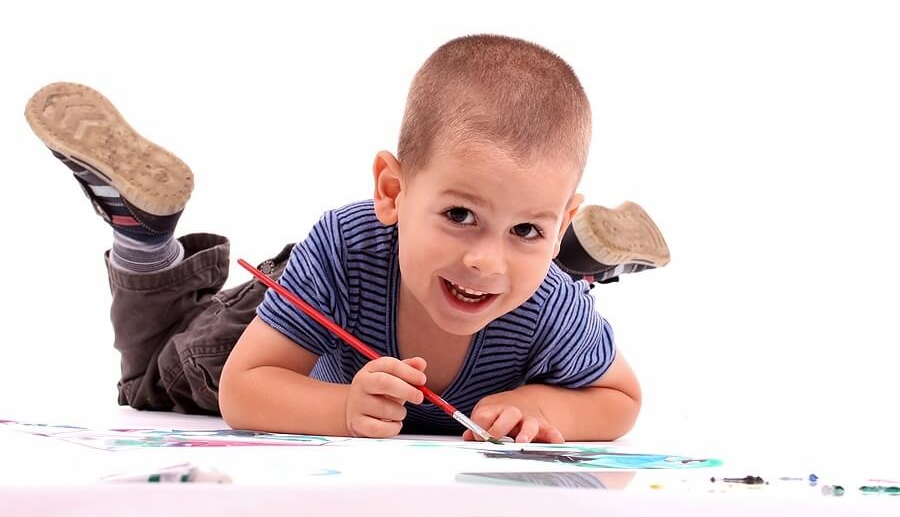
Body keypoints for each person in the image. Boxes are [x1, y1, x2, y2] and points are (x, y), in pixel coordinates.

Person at [24, 34, 669, 443]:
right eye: (461, 215)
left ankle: (563, 249)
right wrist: (341, 408)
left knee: (520, 282)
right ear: (391, 191)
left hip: (417, 274)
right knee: (154, 377)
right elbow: (243, 390)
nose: (483, 258)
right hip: (319, 294)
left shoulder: (550, 304)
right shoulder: (346, 244)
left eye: (528, 228)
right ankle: (146, 237)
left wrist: (542, 405)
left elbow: (620, 399)